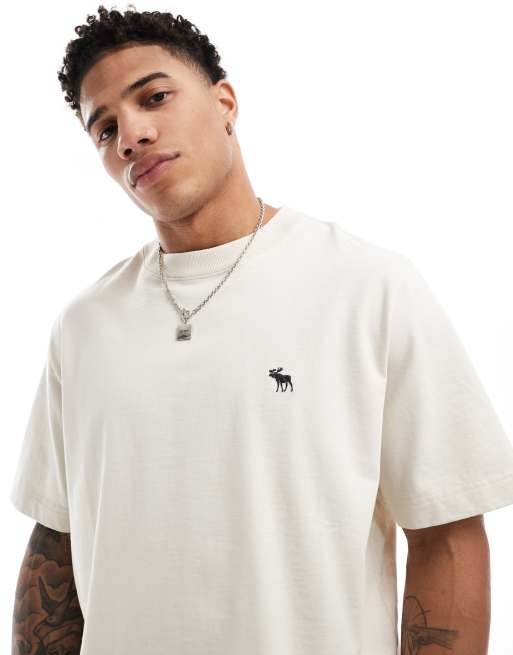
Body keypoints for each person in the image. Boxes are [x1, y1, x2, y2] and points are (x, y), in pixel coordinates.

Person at [9, 5, 513, 655]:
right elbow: (56, 543)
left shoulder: (368, 287)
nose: (131, 134)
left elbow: (445, 530)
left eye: (154, 97)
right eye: (104, 128)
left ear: (225, 102)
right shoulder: (83, 327)